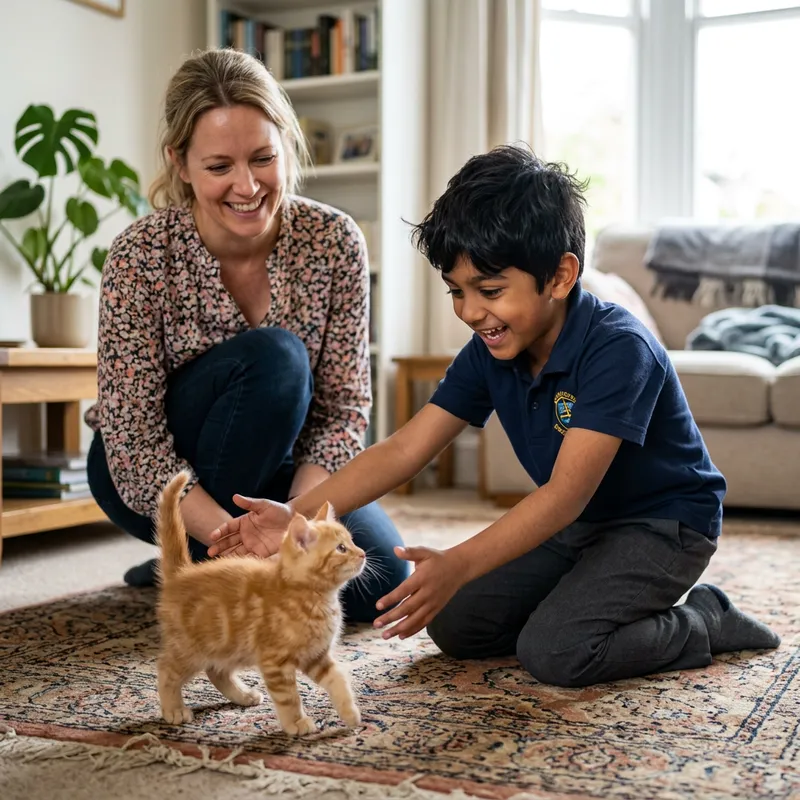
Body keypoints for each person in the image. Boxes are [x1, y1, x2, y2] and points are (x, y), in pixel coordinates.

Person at [207, 144, 781, 687]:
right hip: (580, 530)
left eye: (490, 289)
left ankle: (705, 619)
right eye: (457, 291)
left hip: (663, 527)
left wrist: (458, 562)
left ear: (559, 276)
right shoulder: (490, 351)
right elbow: (405, 449)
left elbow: (562, 497)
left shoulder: (618, 348)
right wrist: (296, 515)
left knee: (555, 651)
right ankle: (584, 596)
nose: (471, 311)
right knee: (456, 625)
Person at [84, 48, 410, 621]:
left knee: (377, 581)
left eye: (263, 158)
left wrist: (298, 527)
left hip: (285, 475)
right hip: (152, 477)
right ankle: (206, 548)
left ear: (286, 146)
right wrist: (251, 543)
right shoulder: (140, 254)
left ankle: (191, 566)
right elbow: (133, 441)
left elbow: (342, 413)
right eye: (219, 167)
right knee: (278, 359)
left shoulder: (335, 242)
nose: (247, 185)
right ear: (180, 164)